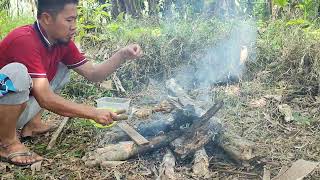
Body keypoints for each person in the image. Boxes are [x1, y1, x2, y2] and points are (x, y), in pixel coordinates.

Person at [0, 0, 142, 166]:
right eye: (69, 20)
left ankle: (33, 124)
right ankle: (7, 142)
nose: (74, 26)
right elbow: (45, 98)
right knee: (16, 73)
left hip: (17, 109)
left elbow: (93, 73)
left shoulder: (61, 42)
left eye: (75, 19)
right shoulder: (24, 40)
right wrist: (93, 112)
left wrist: (122, 54)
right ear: (46, 18)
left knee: (61, 67)